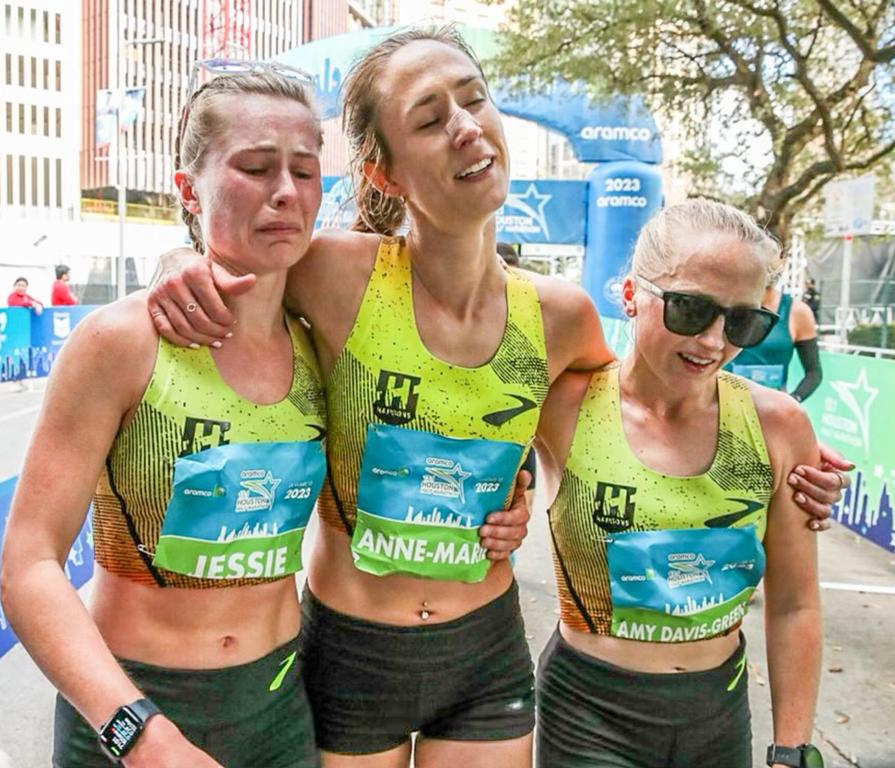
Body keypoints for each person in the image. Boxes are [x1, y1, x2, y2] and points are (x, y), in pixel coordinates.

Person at [147, 28, 849, 768]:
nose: (464, 126)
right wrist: (176, 259)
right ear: (382, 174)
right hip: (352, 649)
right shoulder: (332, 275)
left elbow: (644, 408)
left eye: (474, 100)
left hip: (483, 651)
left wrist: (784, 449)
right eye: (428, 118)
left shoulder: (561, 315)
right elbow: (233, 260)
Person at [0, 69, 329, 768]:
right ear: (187, 189)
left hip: (278, 713)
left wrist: (507, 499)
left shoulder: (326, 341)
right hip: (131, 713)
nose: (285, 192)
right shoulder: (119, 342)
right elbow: (28, 565)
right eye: (254, 167)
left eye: (305, 170)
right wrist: (138, 734)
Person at [535, 200, 823, 768]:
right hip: (586, 713)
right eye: (690, 309)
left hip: (716, 714)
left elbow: (794, 605)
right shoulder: (561, 404)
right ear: (629, 296)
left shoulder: (778, 426)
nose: (714, 342)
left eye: (742, 321)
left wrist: (792, 750)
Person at [728, 261, 822, 402]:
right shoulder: (724, 304)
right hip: (720, 406)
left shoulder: (797, 311)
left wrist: (793, 399)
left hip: (769, 412)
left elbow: (814, 373)